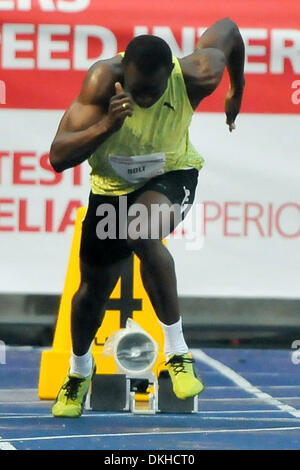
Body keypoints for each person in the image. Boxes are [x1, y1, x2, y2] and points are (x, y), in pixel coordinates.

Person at [50, 18, 245, 417]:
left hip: (171, 175)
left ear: (169, 76)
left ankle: (177, 353)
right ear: (125, 74)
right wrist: (108, 123)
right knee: (92, 292)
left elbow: (228, 30)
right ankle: (79, 371)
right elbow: (57, 157)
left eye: (151, 94)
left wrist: (237, 88)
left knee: (141, 230)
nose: (142, 100)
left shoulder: (198, 74)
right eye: (136, 91)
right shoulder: (103, 80)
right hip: (110, 188)